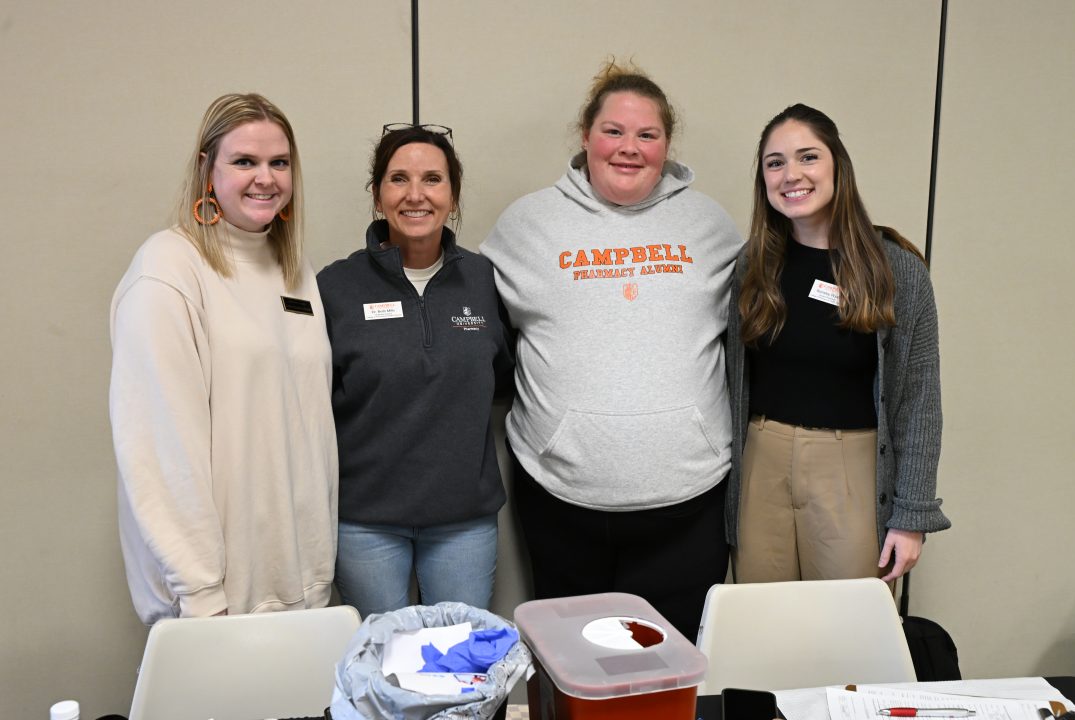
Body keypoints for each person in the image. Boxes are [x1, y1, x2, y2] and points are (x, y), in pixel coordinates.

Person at [481, 61, 742, 641]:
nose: (630, 148)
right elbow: (470, 324)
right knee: (578, 667)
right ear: (585, 136)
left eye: (647, 135)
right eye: (614, 131)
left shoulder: (711, 226)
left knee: (670, 669)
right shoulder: (527, 224)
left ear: (667, 145)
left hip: (690, 500)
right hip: (561, 498)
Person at [109, 93, 337, 624]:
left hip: (300, 584)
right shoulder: (167, 270)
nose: (266, 178)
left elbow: (304, 424)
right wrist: (200, 590)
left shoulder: (293, 267)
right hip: (214, 602)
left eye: (279, 163)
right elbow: (159, 449)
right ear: (206, 168)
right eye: (245, 162)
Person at [726, 103, 951, 585]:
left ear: (837, 167)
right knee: (762, 625)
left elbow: (919, 401)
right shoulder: (754, 265)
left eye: (808, 157)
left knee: (849, 633)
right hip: (761, 463)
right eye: (775, 162)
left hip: (852, 471)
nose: (791, 175)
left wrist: (912, 514)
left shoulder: (896, 269)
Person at [318, 124, 512, 618]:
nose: (416, 195)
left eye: (432, 179)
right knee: (383, 669)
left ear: (453, 194)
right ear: (378, 195)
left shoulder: (486, 281)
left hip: (463, 522)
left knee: (462, 666)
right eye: (399, 179)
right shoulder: (335, 287)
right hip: (365, 521)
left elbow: (505, 381)